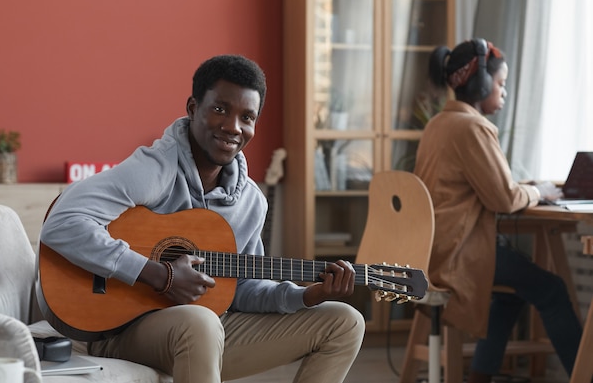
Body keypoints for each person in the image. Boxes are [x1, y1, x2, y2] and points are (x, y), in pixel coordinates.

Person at [39, 54, 365, 383]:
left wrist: (309, 295)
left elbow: (244, 289)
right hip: (117, 331)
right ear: (193, 107)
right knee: (201, 321)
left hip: (200, 333)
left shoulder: (251, 201)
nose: (233, 127)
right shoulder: (153, 170)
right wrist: (158, 274)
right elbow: (62, 222)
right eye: (220, 109)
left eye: (247, 117)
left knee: (345, 322)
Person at [413, 39, 583, 383]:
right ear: (481, 83)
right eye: (501, 84)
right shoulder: (473, 126)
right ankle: (585, 375)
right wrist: (539, 191)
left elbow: (480, 185)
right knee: (550, 289)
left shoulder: (439, 123)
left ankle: (480, 377)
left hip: (430, 247)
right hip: (457, 252)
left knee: (512, 295)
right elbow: (504, 200)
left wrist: (529, 188)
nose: (504, 93)